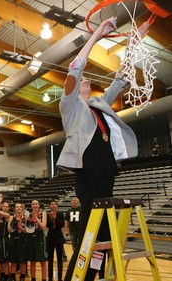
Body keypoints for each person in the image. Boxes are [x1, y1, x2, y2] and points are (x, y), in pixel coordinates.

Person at [57, 17, 149, 281]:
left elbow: (120, 79)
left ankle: (94, 274)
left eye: (87, 80)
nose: (85, 80)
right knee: (88, 235)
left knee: (104, 239)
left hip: (107, 175)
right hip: (88, 178)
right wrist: (96, 34)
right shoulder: (70, 108)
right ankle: (77, 278)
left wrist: (132, 44)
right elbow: (76, 67)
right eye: (82, 79)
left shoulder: (98, 105)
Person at [26, 199, 47, 281]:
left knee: (43, 261)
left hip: (40, 238)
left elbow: (43, 227)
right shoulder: (29, 215)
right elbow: (29, 229)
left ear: (39, 205)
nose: (35, 205)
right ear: (31, 205)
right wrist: (29, 220)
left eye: (36, 204)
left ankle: (44, 279)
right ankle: (33, 278)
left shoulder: (43, 213)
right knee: (32, 261)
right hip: (31, 238)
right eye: (33, 204)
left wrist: (36, 218)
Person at [7, 203, 27, 281]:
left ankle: (22, 278)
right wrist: (13, 225)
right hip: (13, 241)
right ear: (15, 209)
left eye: (20, 207)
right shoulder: (12, 217)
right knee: (13, 262)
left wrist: (19, 226)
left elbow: (27, 231)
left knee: (23, 262)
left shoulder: (26, 218)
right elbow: (9, 230)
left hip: (22, 241)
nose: (19, 208)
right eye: (17, 207)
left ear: (22, 208)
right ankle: (13, 278)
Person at [46, 200, 65, 281]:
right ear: (50, 206)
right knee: (50, 259)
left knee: (59, 259)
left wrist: (55, 219)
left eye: (54, 204)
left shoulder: (60, 214)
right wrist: (51, 219)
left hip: (59, 239)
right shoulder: (47, 214)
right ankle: (50, 277)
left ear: (57, 206)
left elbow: (62, 225)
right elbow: (47, 225)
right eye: (52, 204)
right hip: (50, 238)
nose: (53, 205)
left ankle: (60, 277)